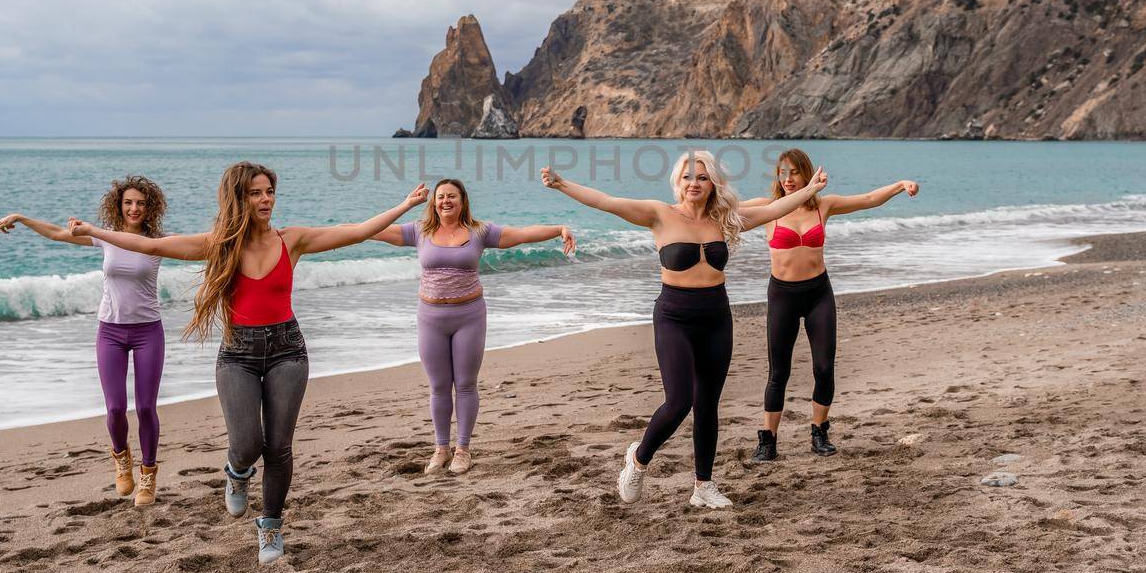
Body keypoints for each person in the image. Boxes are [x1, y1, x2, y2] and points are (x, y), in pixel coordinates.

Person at [70, 163, 427, 565]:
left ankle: (271, 526)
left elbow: (358, 231)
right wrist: (95, 232)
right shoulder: (220, 243)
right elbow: (151, 247)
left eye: (269, 191)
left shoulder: (293, 239)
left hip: (287, 349)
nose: (266, 199)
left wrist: (405, 204)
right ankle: (237, 472)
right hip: (237, 354)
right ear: (239, 198)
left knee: (278, 447)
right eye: (256, 193)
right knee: (247, 444)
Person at [540, 151, 827, 509]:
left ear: (713, 184)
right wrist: (563, 184)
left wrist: (811, 188)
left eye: (703, 178)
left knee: (708, 405)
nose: (695, 183)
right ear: (678, 182)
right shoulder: (659, 215)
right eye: (688, 177)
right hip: (674, 317)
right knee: (678, 401)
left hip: (716, 316)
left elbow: (776, 209)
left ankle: (703, 485)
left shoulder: (725, 219)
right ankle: (638, 459)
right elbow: (607, 202)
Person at [369, 178, 574, 474]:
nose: (445, 201)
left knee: (465, 384)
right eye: (440, 197)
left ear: (463, 200)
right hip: (430, 319)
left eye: (452, 196)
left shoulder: (480, 232)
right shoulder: (419, 231)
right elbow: (373, 230)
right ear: (433, 202)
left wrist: (558, 229)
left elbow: (521, 235)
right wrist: (400, 207)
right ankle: (441, 449)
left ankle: (462, 449)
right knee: (439, 386)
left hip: (469, 317)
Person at [0, 175, 169, 505]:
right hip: (111, 331)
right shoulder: (105, 238)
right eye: (128, 202)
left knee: (146, 407)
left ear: (150, 208)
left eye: (141, 204)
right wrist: (20, 218)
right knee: (116, 408)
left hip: (148, 332)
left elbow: (199, 247)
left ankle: (148, 474)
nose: (134, 208)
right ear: (119, 205)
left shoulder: (157, 241)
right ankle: (121, 457)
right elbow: (59, 234)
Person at [742, 149, 919, 461]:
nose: (787, 179)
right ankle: (767, 441)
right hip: (781, 296)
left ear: (806, 173)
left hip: (818, 294)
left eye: (794, 172)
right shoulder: (767, 207)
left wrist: (899, 185)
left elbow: (867, 200)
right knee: (778, 372)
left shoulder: (823, 205)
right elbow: (723, 209)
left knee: (824, 368)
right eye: (782, 173)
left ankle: (819, 431)